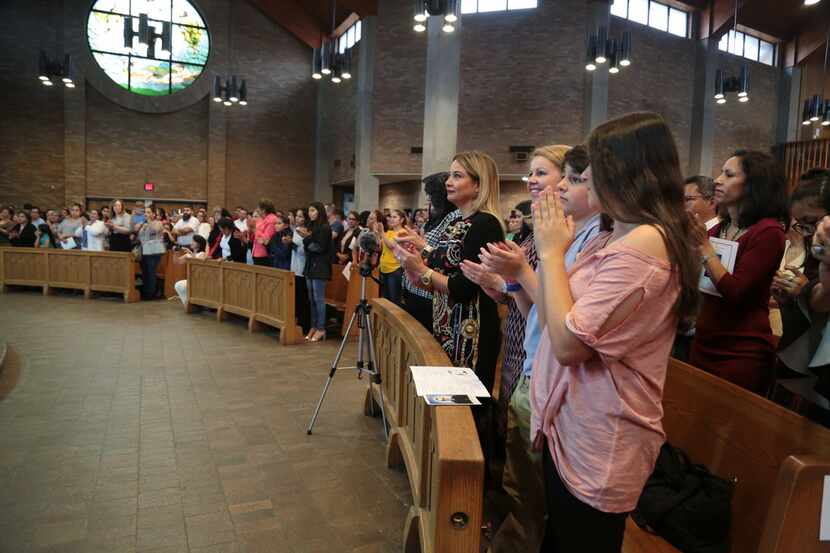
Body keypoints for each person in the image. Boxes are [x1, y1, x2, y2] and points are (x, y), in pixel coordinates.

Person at [530, 113, 699, 552]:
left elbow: (568, 346)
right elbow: (553, 321)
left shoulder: (646, 244)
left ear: (624, 172)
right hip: (570, 423)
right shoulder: (613, 237)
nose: (582, 181)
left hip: (600, 433)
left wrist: (550, 252)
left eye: (592, 172)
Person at [398, 151, 505, 455]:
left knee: (465, 408)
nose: (448, 181)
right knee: (448, 402)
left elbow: (462, 287)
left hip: (470, 330)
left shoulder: (484, 223)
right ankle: (448, 462)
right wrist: (420, 254)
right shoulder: (461, 220)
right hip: (450, 324)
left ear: (479, 184)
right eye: (450, 174)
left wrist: (422, 271)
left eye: (458, 175)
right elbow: (446, 260)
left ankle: (467, 477)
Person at [690, 150, 789, 395]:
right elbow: (702, 282)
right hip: (704, 340)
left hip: (740, 351)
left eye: (728, 174)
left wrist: (703, 247)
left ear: (754, 184)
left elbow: (734, 291)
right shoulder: (721, 228)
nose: (718, 180)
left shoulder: (768, 232)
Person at [775, 170, 828, 379]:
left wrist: (805, 289)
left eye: (811, 221)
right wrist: (792, 295)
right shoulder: (813, 240)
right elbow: (818, 299)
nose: (808, 233)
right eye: (801, 225)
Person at [397, 173, 461, 331]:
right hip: (415, 287)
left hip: (430, 293)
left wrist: (420, 248)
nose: (428, 199)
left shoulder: (454, 219)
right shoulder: (434, 219)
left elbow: (443, 258)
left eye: (431, 194)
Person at [303, 201, 333, 342]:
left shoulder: (325, 228)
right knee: (311, 299)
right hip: (310, 265)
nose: (310, 213)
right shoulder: (311, 226)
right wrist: (307, 241)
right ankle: (313, 326)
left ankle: (321, 328)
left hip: (320, 266)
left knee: (319, 299)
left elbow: (319, 247)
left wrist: (307, 239)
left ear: (320, 211)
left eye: (313, 210)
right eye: (309, 211)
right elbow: (308, 246)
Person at [377, 209, 408, 306]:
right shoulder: (389, 232)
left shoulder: (403, 232)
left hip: (395, 269)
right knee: (386, 300)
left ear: (401, 220)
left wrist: (381, 232)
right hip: (384, 268)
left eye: (395, 217)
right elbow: (381, 247)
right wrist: (377, 233)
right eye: (391, 217)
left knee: (394, 301)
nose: (392, 219)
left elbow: (391, 246)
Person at [137, 207, 167, 300]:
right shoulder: (144, 224)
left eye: (148, 212)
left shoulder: (158, 223)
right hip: (145, 250)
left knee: (151, 271)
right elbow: (140, 237)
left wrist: (148, 222)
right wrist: (142, 228)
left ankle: (151, 293)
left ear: (153, 214)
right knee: (145, 271)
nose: (146, 214)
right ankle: (146, 291)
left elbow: (155, 230)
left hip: (154, 251)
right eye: (145, 212)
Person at [290, 208, 311, 335]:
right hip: (294, 266)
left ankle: (305, 325)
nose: (297, 219)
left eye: (300, 216)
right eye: (296, 216)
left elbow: (304, 250)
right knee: (296, 298)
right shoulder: (295, 230)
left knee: (303, 298)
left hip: (303, 267)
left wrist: (292, 244)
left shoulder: (306, 231)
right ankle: (297, 323)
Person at [173, 235, 208, 304]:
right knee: (178, 285)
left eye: (193, 241)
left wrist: (190, 253)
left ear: (199, 244)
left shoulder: (202, 254)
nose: (191, 243)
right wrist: (176, 253)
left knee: (180, 285)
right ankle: (187, 303)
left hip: (200, 279)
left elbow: (197, 263)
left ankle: (189, 303)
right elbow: (177, 262)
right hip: (191, 278)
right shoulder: (188, 255)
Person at [252, 199, 278, 266]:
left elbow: (266, 240)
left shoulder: (272, 220)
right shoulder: (262, 219)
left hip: (265, 254)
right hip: (257, 252)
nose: (257, 209)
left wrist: (255, 229)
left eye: (258, 208)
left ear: (263, 210)